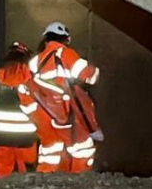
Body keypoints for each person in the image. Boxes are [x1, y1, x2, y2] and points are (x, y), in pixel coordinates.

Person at [17, 22, 100, 173]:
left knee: (50, 150)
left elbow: (25, 88)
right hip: (64, 112)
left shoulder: (35, 61)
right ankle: (79, 177)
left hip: (42, 114)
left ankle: (47, 180)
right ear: (65, 39)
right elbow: (88, 76)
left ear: (46, 39)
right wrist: (95, 71)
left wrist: (33, 114)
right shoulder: (64, 53)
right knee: (82, 146)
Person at [0, 42, 38, 178]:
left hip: (1, 133)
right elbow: (32, 105)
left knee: (2, 166)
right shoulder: (29, 77)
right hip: (26, 133)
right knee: (27, 168)